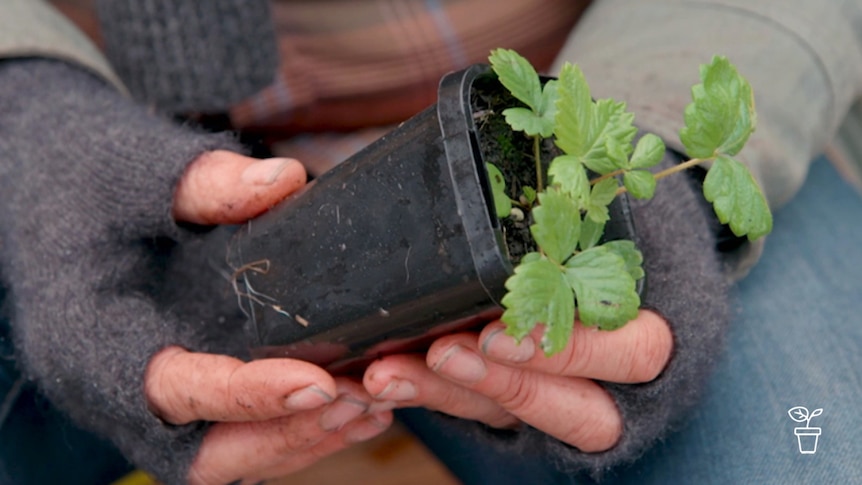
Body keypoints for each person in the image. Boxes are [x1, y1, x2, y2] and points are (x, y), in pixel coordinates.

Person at [0, 1, 860, 484]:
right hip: (111, 143)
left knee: (813, 455)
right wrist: (28, 118)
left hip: (606, 89)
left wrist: (645, 175)